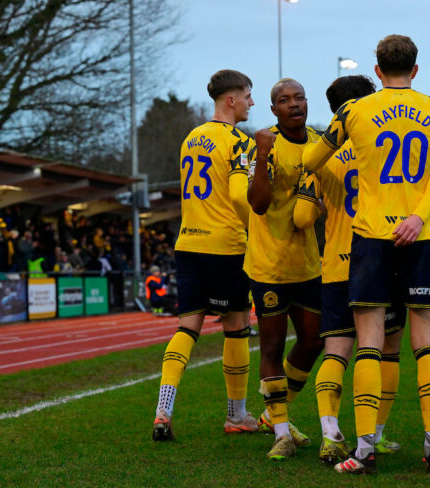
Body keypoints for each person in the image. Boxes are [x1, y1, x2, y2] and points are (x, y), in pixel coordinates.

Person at [303, 34, 430, 474]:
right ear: (416, 70)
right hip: (423, 237)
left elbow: (312, 159)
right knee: (427, 343)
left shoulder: (353, 111)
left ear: (378, 71)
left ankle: (364, 451)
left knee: (370, 344)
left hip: (371, 236)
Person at [293, 75, 406, 464]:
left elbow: (302, 217)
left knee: (336, 351)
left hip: (337, 265)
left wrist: (323, 202)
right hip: (382, 262)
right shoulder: (380, 145)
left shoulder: (322, 155)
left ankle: (330, 434)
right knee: (386, 351)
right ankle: (375, 434)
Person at [152, 69, 257, 442]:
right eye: (247, 95)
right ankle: (237, 415)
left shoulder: (191, 138)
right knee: (237, 325)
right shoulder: (239, 141)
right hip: (225, 245)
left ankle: (163, 410)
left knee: (186, 328)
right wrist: (257, 230)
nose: (251, 102)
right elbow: (238, 196)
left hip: (188, 244)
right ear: (231, 99)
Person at [247, 78, 325, 460]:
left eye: (298, 98)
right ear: (273, 109)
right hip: (269, 264)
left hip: (307, 263)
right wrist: (262, 156)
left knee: (314, 340)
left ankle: (272, 413)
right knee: (273, 346)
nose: (293, 104)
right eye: (284, 100)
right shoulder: (263, 145)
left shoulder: (319, 144)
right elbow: (258, 203)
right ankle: (281, 431)